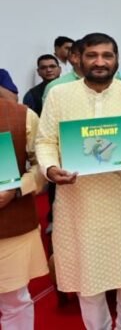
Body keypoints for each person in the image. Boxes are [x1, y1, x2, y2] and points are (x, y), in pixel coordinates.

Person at [35, 32, 121, 330]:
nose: (100, 62)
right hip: (78, 201)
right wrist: (50, 169)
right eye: (92, 55)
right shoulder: (59, 95)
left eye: (107, 56)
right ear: (78, 59)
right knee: (87, 276)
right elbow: (45, 141)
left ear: (116, 60)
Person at [0, 99, 48, 329]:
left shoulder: (22, 116)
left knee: (14, 301)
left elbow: (42, 164)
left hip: (11, 226)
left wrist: (16, 189)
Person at [42, 39, 84, 103]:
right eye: (91, 55)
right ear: (74, 57)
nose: (98, 61)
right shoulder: (55, 87)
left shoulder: (100, 83)